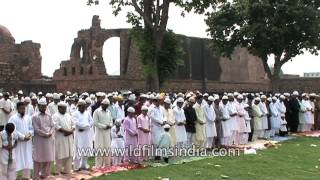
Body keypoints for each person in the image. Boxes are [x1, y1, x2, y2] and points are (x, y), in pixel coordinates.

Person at [8, 102, 33, 179]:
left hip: (27, 143)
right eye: (21, 109)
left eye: (24, 109)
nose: (23, 110)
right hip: (17, 143)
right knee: (16, 159)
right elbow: (12, 130)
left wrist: (29, 134)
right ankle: (13, 177)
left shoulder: (28, 117)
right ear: (17, 109)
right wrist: (22, 137)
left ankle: (26, 177)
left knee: (27, 158)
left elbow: (31, 128)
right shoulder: (13, 118)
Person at [32, 98, 55, 179]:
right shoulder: (35, 116)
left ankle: (45, 174)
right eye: (42, 107)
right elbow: (36, 129)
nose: (44, 108)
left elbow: (53, 126)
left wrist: (50, 133)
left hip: (48, 140)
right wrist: (45, 134)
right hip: (39, 140)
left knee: (48, 157)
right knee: (38, 158)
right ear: (38, 106)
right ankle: (36, 176)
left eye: (45, 107)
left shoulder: (49, 115)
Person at [52, 101, 75, 176]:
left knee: (69, 154)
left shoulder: (68, 115)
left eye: (65, 108)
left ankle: (67, 170)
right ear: (59, 108)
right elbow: (56, 126)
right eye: (63, 108)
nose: (64, 110)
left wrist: (70, 131)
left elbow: (73, 124)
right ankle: (58, 171)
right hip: (60, 137)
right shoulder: (55, 116)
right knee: (60, 154)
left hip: (69, 137)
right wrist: (67, 131)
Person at [73, 99, 94, 171]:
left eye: (84, 107)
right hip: (79, 134)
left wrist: (86, 127)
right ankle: (77, 166)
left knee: (86, 149)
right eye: (82, 106)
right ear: (78, 106)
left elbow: (91, 121)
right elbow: (77, 123)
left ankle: (84, 165)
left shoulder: (87, 113)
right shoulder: (75, 113)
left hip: (86, 134)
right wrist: (86, 126)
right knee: (78, 149)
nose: (83, 108)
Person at [93, 98, 113, 168]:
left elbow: (111, 121)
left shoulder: (109, 111)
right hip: (99, 133)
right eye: (105, 105)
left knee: (107, 148)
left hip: (107, 133)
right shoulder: (97, 111)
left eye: (107, 105)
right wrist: (104, 126)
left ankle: (107, 165)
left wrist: (110, 125)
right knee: (99, 148)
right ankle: (98, 165)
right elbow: (95, 123)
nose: (106, 106)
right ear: (102, 104)